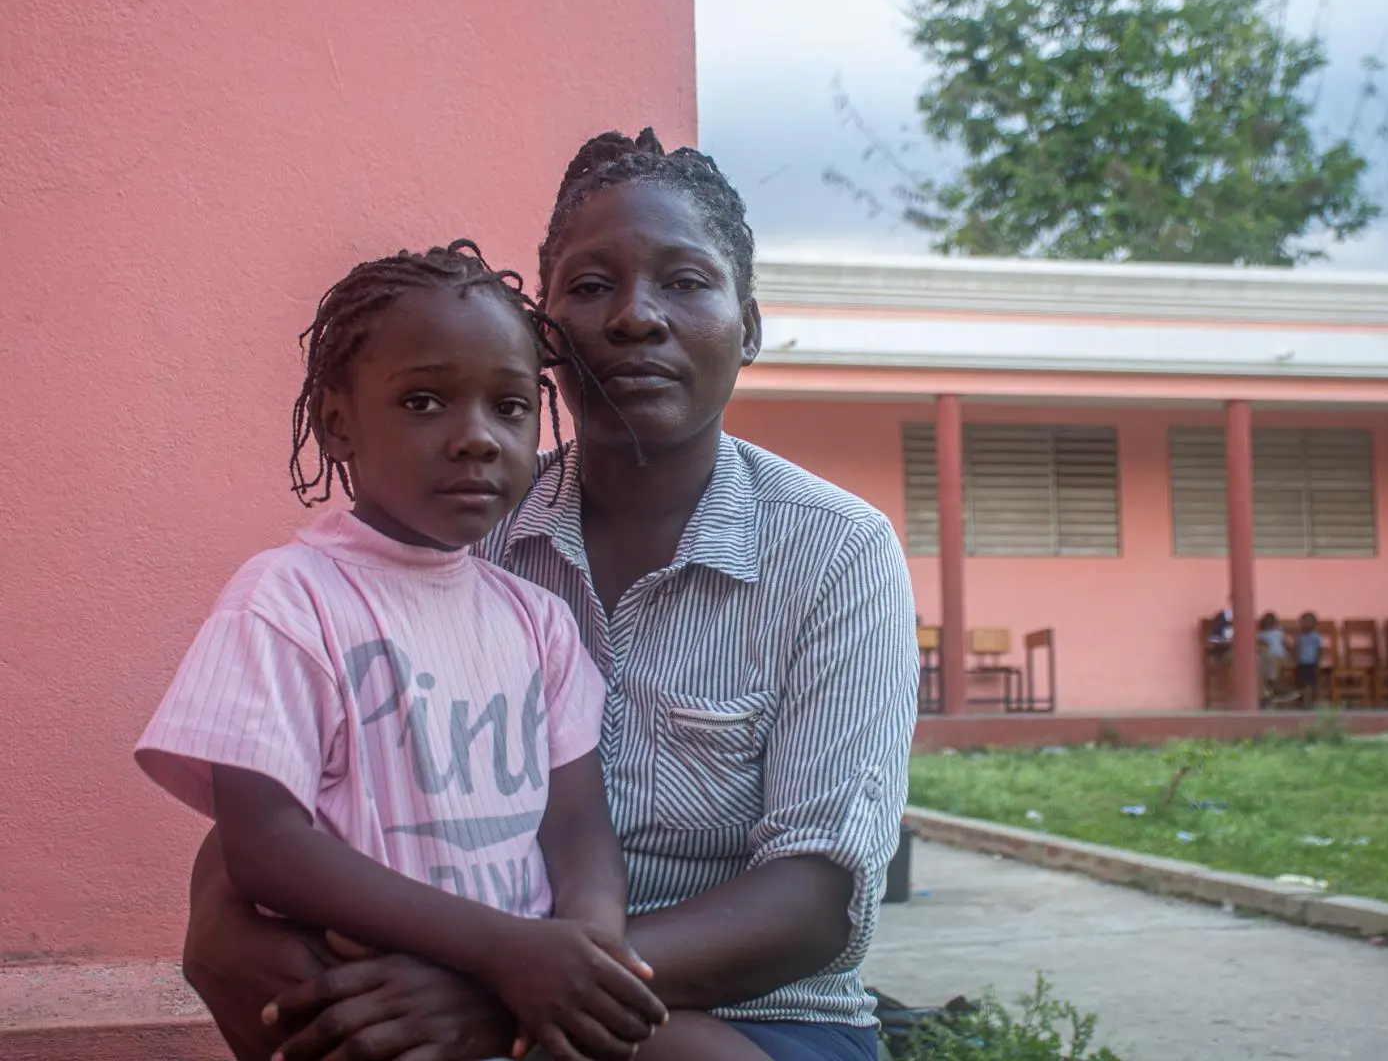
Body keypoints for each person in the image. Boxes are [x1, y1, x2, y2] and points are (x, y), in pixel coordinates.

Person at [178, 130, 919, 1061]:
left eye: (687, 282)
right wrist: (218, 917)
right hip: (465, 965)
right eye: (592, 286)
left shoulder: (836, 552)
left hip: (755, 1013)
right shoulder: (458, 523)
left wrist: (510, 994)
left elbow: (815, 901)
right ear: (549, 337)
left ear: (751, 327)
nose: (636, 318)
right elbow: (287, 797)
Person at [134, 241, 669, 1061]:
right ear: (338, 424)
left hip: (515, 1014)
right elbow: (263, 847)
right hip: (372, 1016)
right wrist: (504, 951)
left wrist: (583, 954)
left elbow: (577, 826)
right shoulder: (287, 601)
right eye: (424, 402)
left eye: (512, 407)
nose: (477, 438)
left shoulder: (539, 622)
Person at [1256, 613, 1292, 706]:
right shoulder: (1260, 634)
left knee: (1273, 662)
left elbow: (1288, 642)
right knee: (1263, 663)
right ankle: (1272, 687)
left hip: (1279, 656)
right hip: (1267, 657)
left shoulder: (1279, 632)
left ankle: (1272, 687)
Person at [1295, 613, 1324, 708]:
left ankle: (1317, 701)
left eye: (1306, 622)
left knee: (1314, 683)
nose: (1303, 625)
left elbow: (1319, 649)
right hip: (1302, 663)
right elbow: (1297, 649)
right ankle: (1306, 702)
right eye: (1302, 622)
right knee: (1304, 683)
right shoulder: (1300, 637)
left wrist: (1319, 662)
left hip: (1312, 662)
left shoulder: (1316, 636)